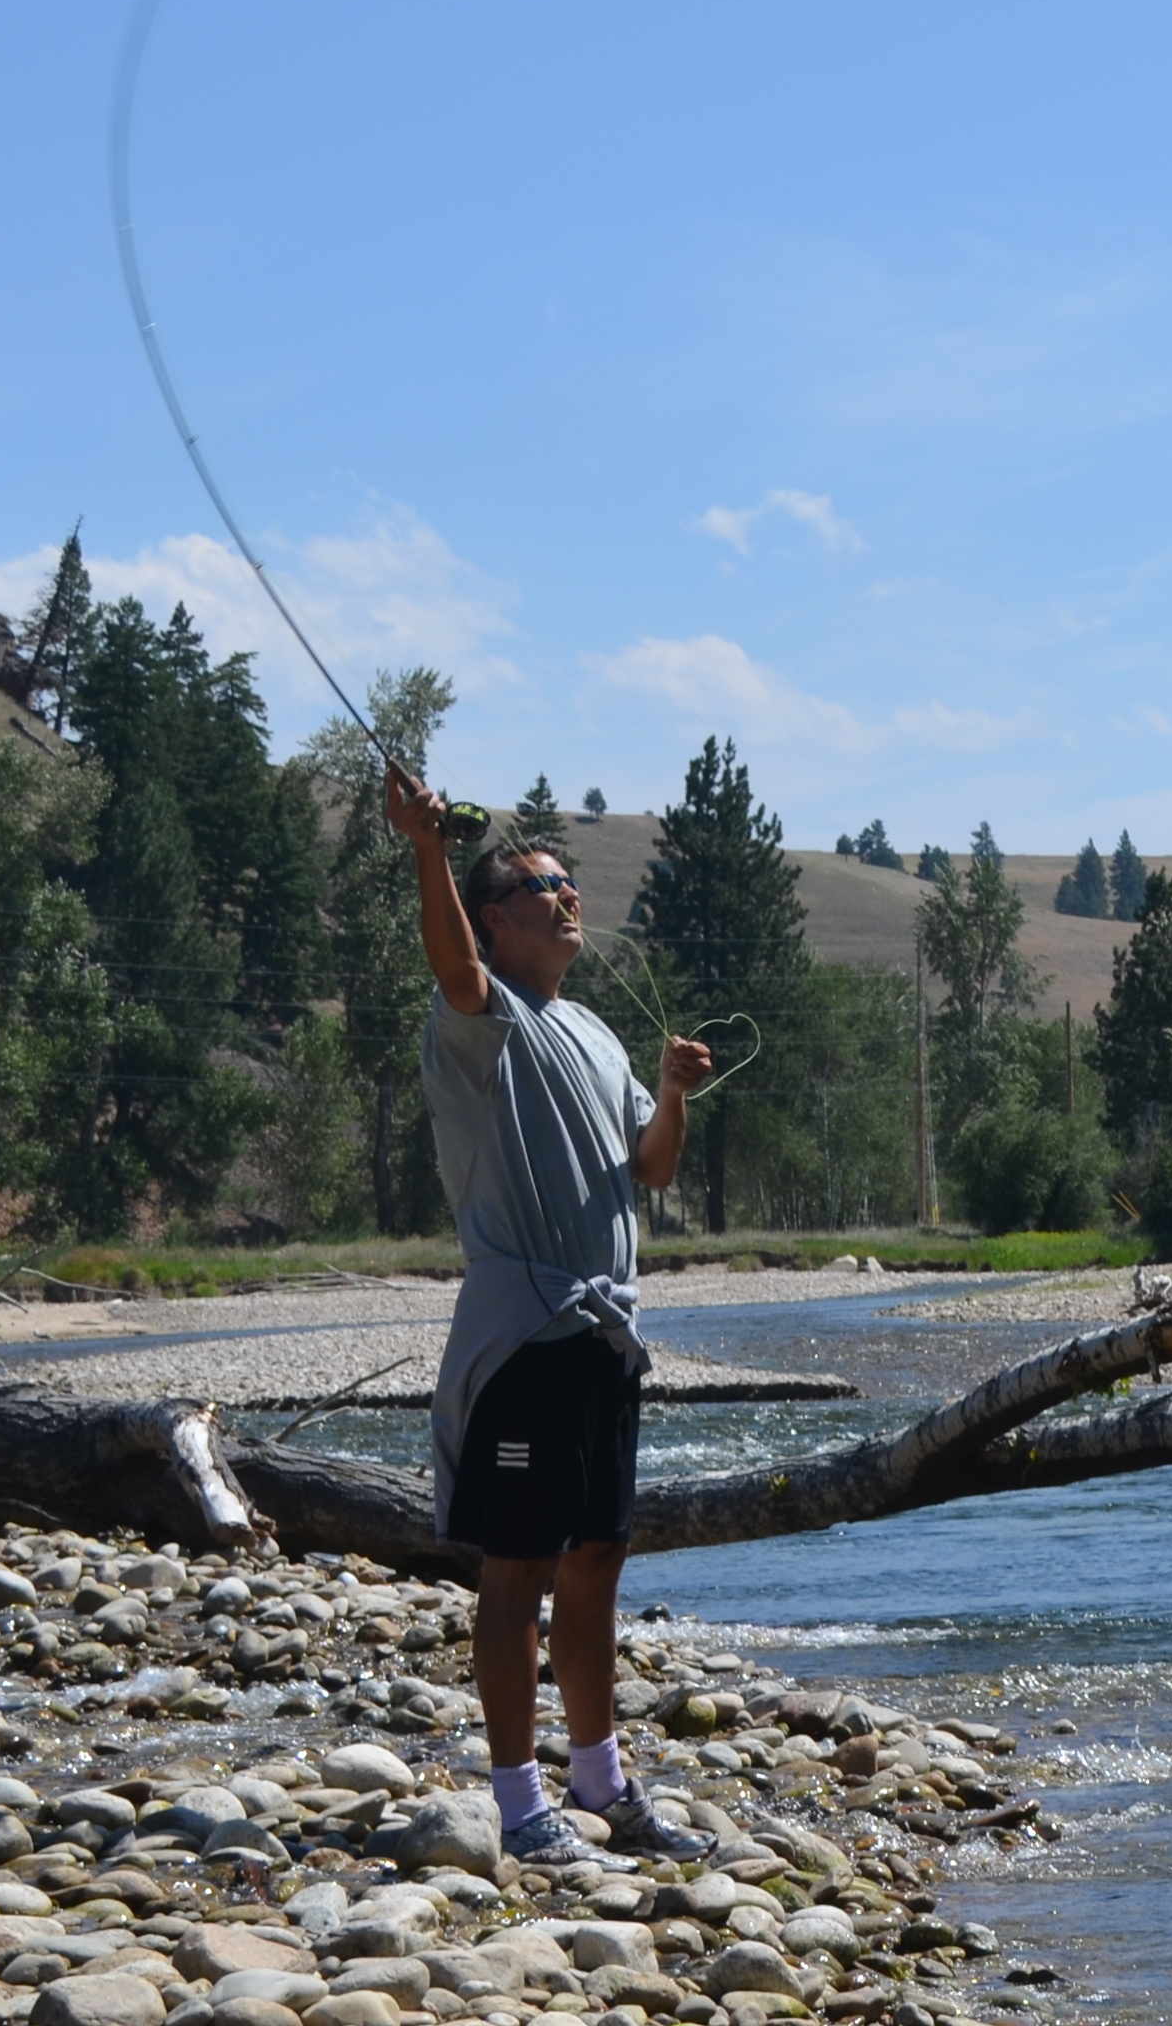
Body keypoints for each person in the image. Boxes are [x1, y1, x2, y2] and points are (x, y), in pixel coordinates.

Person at [385, 765, 719, 1875]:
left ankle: (601, 1782)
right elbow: (448, 962)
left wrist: (670, 1092)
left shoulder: (597, 1032)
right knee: (517, 1570)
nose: (566, 897)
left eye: (570, 882)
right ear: (492, 916)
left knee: (596, 1563)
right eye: (540, 885)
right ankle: (519, 1805)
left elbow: (651, 1169)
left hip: (603, 1341)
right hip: (522, 1338)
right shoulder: (480, 1018)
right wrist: (427, 847)